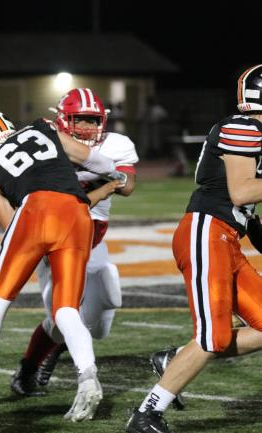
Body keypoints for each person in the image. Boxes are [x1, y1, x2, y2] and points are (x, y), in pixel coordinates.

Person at [0, 96, 127, 422]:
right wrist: (116, 175)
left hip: (35, 214)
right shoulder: (42, 129)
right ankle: (88, 377)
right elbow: (88, 157)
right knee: (67, 310)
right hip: (78, 215)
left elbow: (10, 222)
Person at [125, 64, 262, 433]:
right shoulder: (242, 126)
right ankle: (146, 414)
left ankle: (175, 359)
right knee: (212, 337)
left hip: (227, 238)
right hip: (205, 233)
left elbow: (245, 209)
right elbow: (241, 192)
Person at [8, 89, 138, 401]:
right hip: (54, 240)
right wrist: (103, 180)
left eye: (93, 120)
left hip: (93, 238)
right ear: (64, 119)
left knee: (103, 316)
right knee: (63, 316)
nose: (88, 127)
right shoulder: (45, 144)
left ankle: (58, 345)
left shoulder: (116, 144)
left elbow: (127, 186)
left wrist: (97, 166)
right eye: (80, 120)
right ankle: (28, 369)